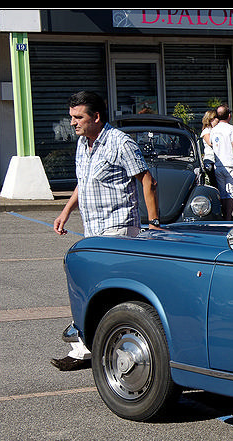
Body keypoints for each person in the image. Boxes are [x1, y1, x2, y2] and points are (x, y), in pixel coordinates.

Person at [51, 90, 160, 371]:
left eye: (79, 117)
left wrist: (153, 223)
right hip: (94, 230)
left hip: (118, 229)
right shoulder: (83, 144)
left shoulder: (119, 143)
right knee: (87, 283)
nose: (73, 122)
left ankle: (113, 346)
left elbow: (146, 180)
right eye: (72, 117)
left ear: (96, 117)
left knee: (111, 290)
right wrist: (66, 211)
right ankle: (85, 345)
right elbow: (83, 182)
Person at [210, 104, 233, 220]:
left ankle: (224, 216)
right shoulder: (232, 129)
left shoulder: (213, 130)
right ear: (229, 115)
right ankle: (228, 217)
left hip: (219, 165)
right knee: (232, 193)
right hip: (231, 164)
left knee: (223, 192)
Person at [200, 109, 218, 187]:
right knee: (213, 182)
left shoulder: (216, 130)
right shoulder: (206, 131)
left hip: (217, 160)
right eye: (215, 118)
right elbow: (211, 143)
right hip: (210, 160)